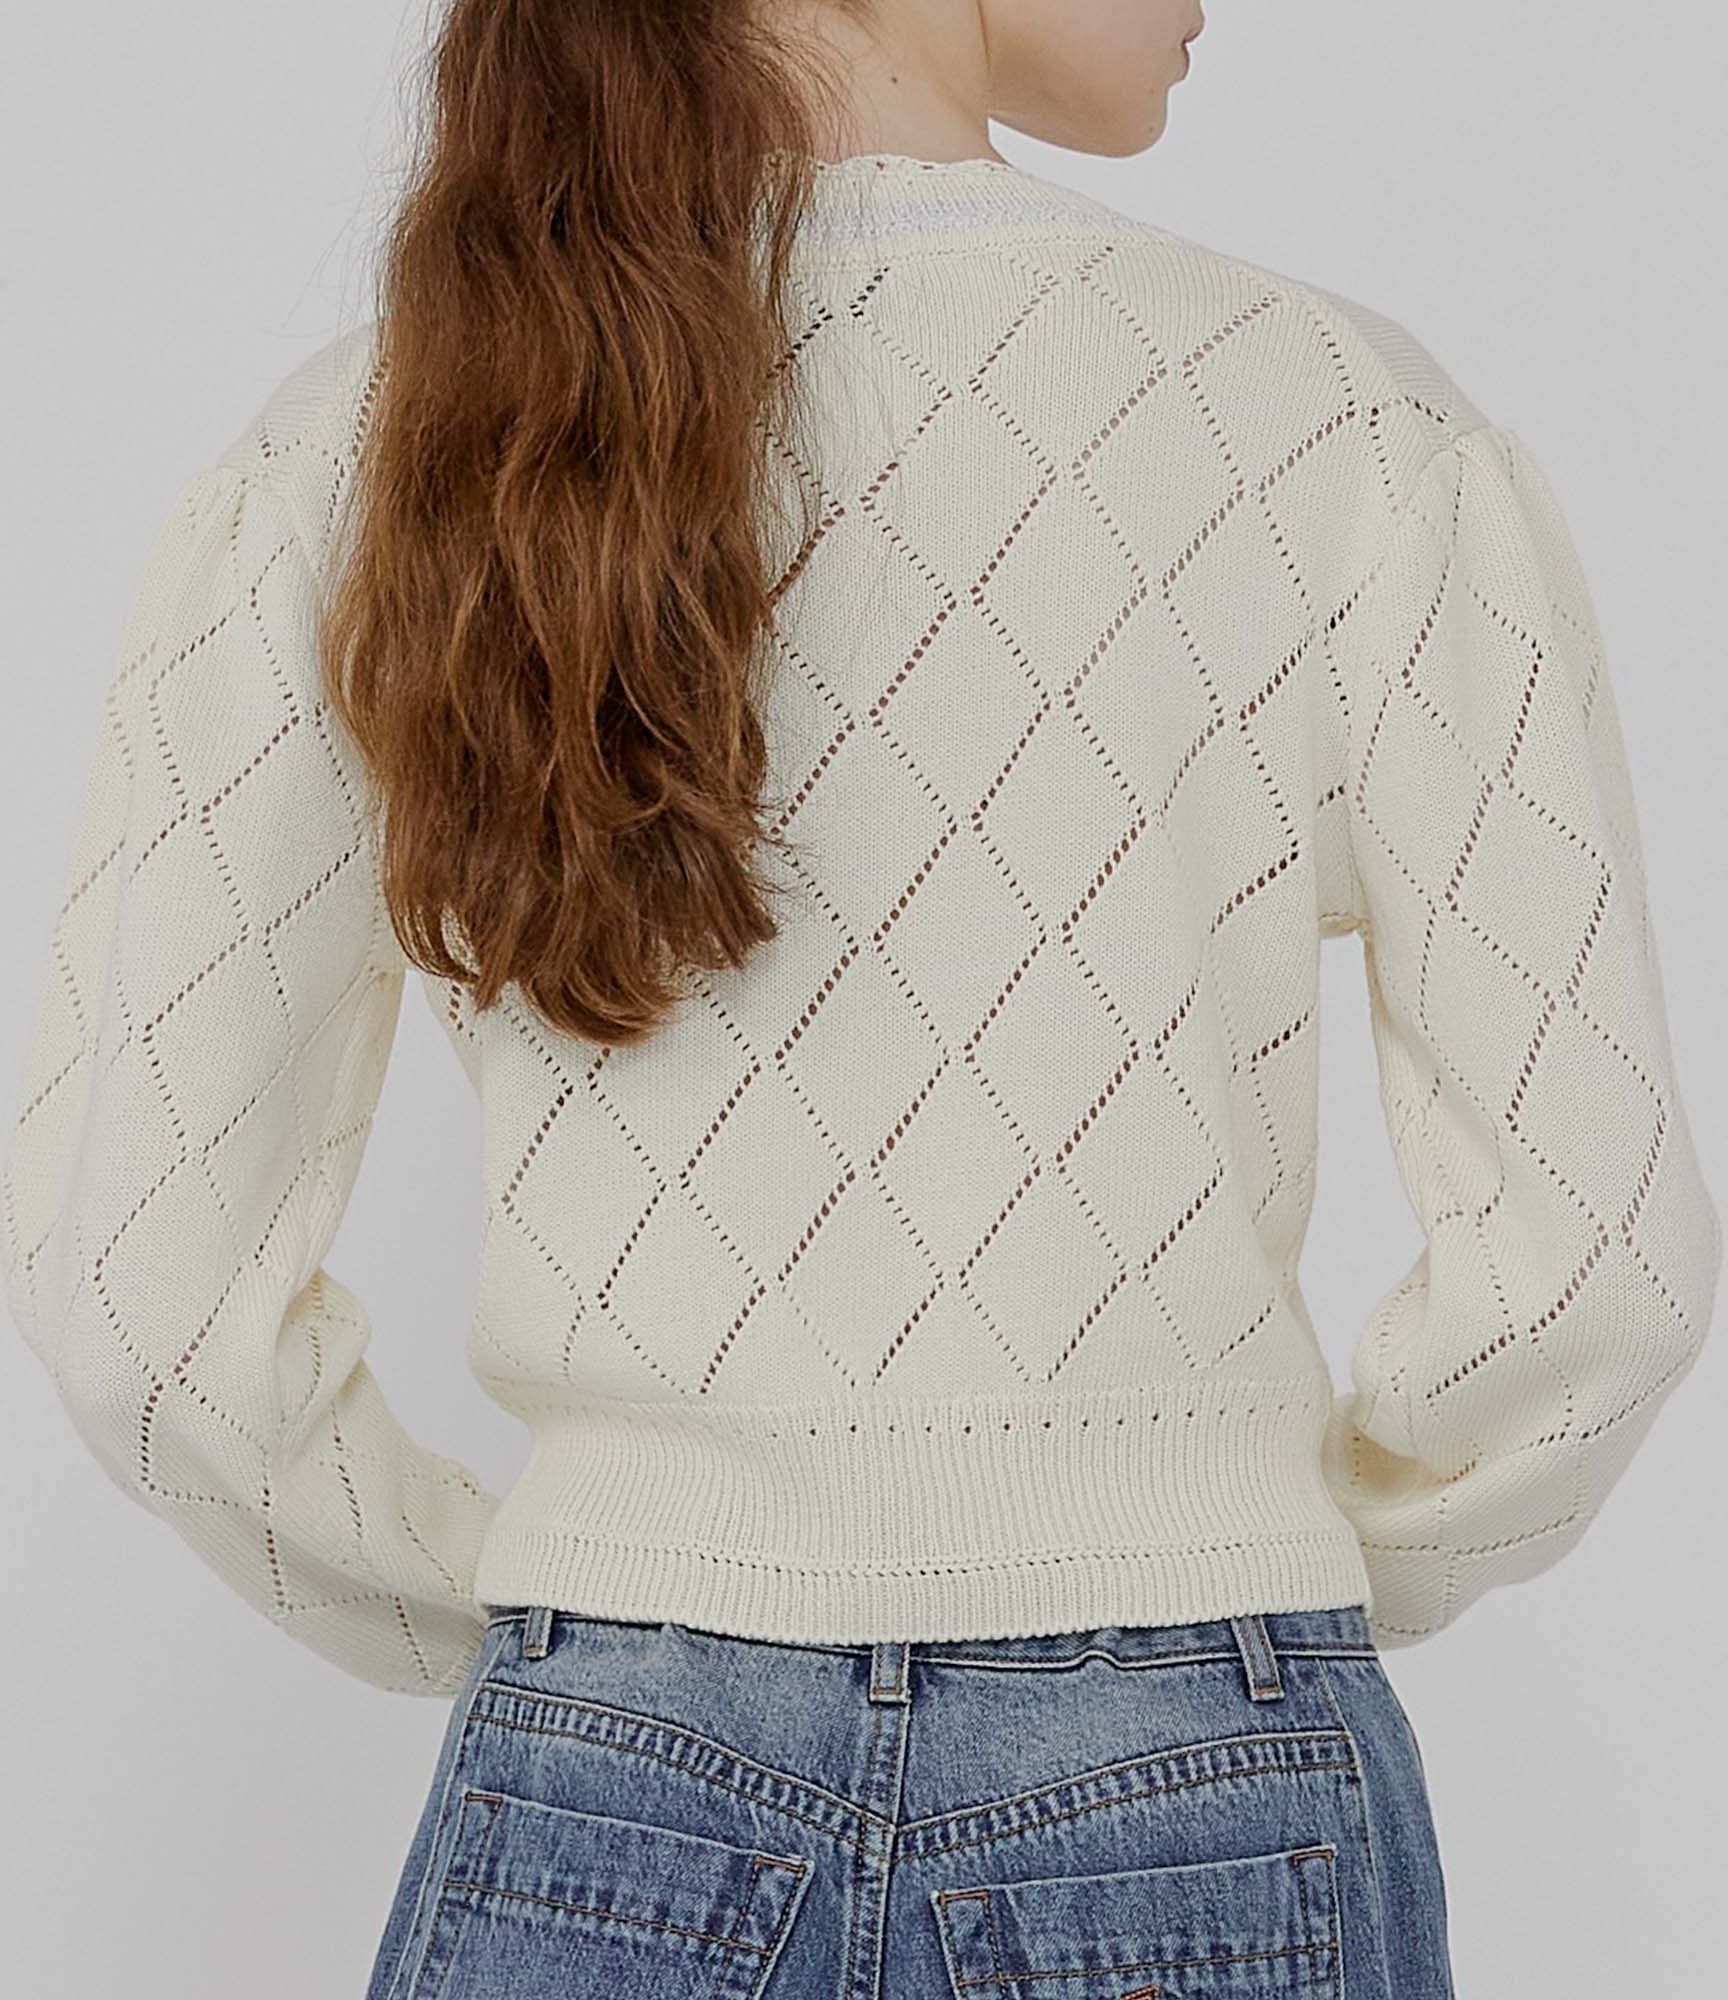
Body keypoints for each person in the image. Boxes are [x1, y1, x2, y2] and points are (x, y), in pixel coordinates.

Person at [2, 3, 1718, 1993]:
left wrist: (565, 1602)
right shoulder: (1348, 433)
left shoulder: (375, 446)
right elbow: (1599, 1267)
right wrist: (1250, 1564)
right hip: (1202, 1785)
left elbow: (142, 1301)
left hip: (605, 1766)